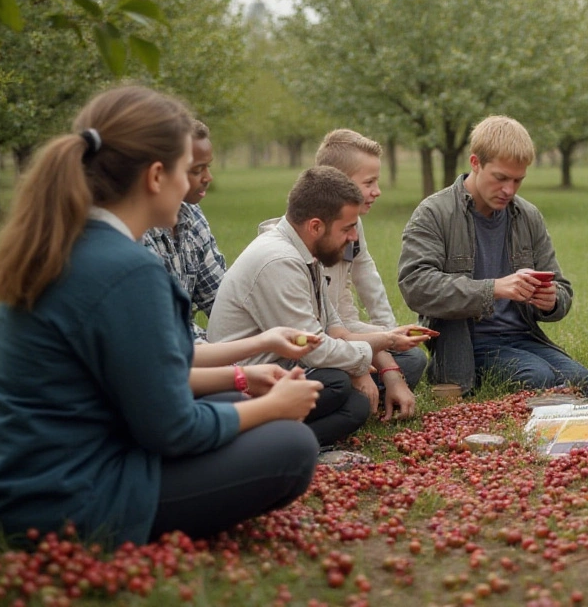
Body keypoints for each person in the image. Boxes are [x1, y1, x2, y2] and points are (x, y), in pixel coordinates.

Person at [0, 86, 324, 547]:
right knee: (291, 447)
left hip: (6, 487)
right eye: (184, 169)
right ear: (156, 175)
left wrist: (242, 382)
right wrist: (273, 408)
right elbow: (172, 430)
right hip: (58, 504)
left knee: (253, 416)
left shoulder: (69, 242)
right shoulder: (128, 271)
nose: (190, 185)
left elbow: (147, 377)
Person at [209, 167, 423, 445]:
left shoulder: (306, 253)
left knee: (409, 361)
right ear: (315, 226)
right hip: (247, 384)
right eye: (347, 228)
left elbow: (336, 330)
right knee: (338, 385)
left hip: (293, 365)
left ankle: (327, 417)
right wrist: (359, 367)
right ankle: (269, 441)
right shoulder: (279, 261)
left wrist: (388, 340)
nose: (354, 238)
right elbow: (314, 351)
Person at [398, 115, 588, 395]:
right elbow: (416, 286)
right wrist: (495, 289)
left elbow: (562, 290)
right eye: (500, 178)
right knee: (539, 378)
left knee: (586, 381)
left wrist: (550, 300)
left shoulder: (527, 215)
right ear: (475, 163)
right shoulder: (433, 213)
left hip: (523, 337)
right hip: (467, 345)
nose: (509, 190)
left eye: (517, 180)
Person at [306, 129, 427, 389]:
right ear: (339, 183)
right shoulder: (311, 234)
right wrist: (384, 343)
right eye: (369, 182)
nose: (378, 191)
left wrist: (389, 332)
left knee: (413, 359)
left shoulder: (354, 226)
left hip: (342, 332)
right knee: (341, 379)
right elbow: (324, 329)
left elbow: (364, 275)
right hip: (316, 347)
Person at [142, 118, 225, 341]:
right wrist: (239, 366)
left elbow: (222, 303)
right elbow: (164, 334)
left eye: (208, 166)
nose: (208, 177)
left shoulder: (193, 217)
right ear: (159, 173)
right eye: (197, 169)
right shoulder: (135, 231)